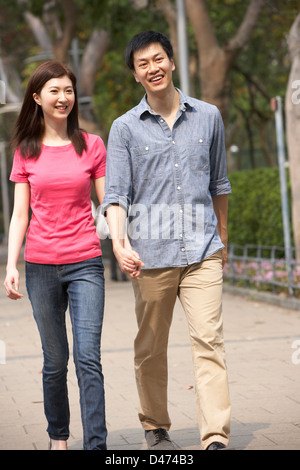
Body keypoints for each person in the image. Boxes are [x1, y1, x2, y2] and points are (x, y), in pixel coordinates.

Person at [102, 30, 231, 451]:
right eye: (143, 64)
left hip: (202, 250)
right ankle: (155, 423)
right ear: (136, 75)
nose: (153, 68)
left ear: (172, 62)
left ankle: (214, 436)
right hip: (150, 255)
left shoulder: (209, 116)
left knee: (209, 340)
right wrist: (120, 243)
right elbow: (117, 194)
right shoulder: (123, 129)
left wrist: (222, 237)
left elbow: (219, 183)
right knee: (151, 347)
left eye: (158, 59)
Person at [3, 61, 107, 450]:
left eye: (68, 90)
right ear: (37, 98)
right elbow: (19, 214)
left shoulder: (92, 145)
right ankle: (58, 438)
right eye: (54, 91)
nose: (63, 97)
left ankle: (97, 444)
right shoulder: (26, 150)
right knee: (55, 361)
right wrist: (12, 265)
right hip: (42, 266)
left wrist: (125, 243)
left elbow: (108, 204)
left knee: (88, 357)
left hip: (86, 263)